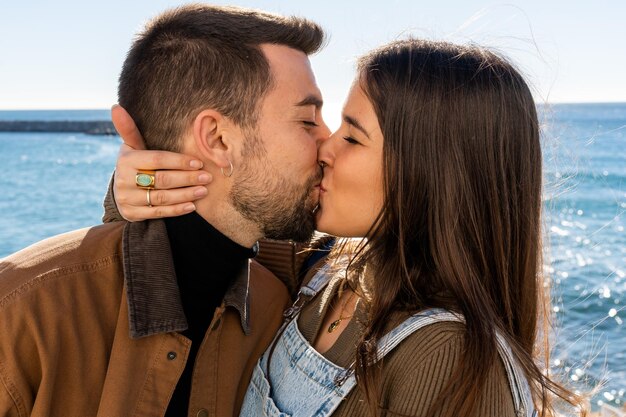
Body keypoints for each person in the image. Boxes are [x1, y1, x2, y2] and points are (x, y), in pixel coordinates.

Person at [111, 39, 588, 417]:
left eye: (352, 136)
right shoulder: (327, 269)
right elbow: (210, 236)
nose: (325, 148)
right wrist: (139, 186)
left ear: (428, 172)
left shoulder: (448, 357)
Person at [0, 5, 331, 417]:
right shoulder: (20, 312)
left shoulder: (274, 309)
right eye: (308, 120)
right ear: (218, 139)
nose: (329, 143)